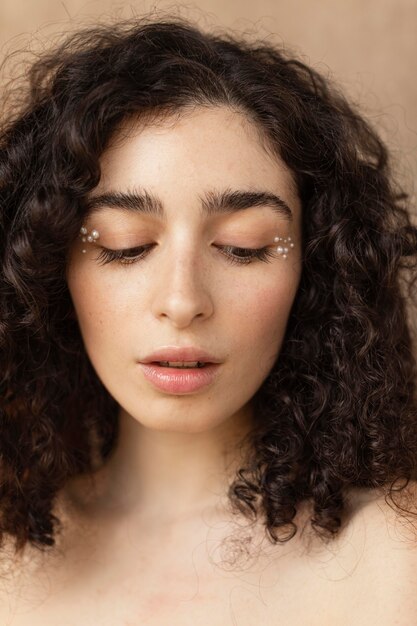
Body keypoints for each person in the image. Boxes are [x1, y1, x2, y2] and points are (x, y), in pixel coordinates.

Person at [0, 13, 417, 625]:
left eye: (245, 247)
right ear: (46, 265)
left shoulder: (396, 555)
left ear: (318, 267)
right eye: (123, 243)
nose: (182, 300)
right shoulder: (9, 559)